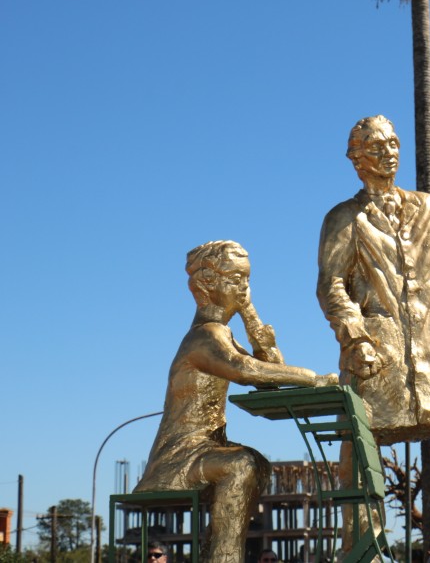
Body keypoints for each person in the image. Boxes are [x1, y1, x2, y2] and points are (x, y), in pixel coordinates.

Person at [318, 116, 430, 558]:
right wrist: (356, 339)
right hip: (376, 359)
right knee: (359, 460)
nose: (388, 152)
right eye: (375, 146)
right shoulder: (343, 218)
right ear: (356, 159)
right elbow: (331, 285)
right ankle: (363, 553)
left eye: (393, 143)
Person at [135, 240, 337, 561]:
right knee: (242, 464)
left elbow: (271, 377)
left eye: (247, 280)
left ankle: (213, 552)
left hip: (205, 451)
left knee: (257, 463)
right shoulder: (205, 336)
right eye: (235, 280)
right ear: (207, 285)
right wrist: (315, 378)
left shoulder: (223, 335)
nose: (244, 289)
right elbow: (248, 371)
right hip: (179, 458)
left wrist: (251, 316)